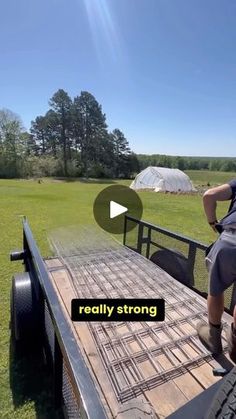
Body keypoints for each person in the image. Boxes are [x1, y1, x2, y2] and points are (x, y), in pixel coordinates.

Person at [197, 179, 236, 362]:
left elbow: (209, 195)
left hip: (229, 240)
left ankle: (214, 339)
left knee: (216, 288)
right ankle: (235, 347)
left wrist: (213, 222)